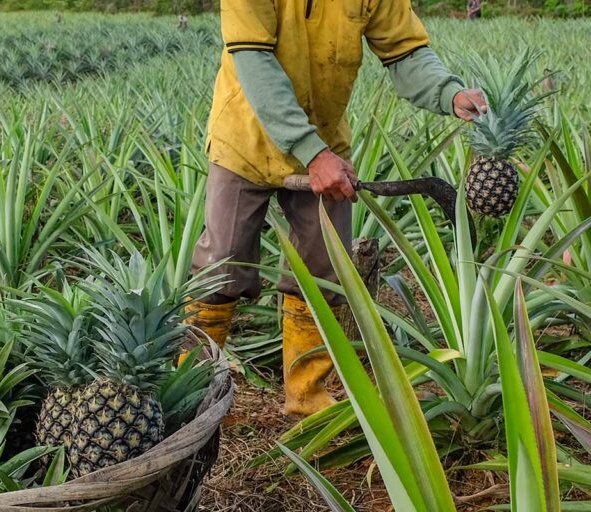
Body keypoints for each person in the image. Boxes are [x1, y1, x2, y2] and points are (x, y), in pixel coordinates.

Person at [188, 0, 488, 417]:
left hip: (326, 141)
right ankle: (190, 390)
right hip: (245, 140)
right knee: (222, 265)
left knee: (325, 270)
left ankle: (306, 396)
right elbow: (254, 61)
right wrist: (311, 153)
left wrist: (449, 93)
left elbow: (405, 51)